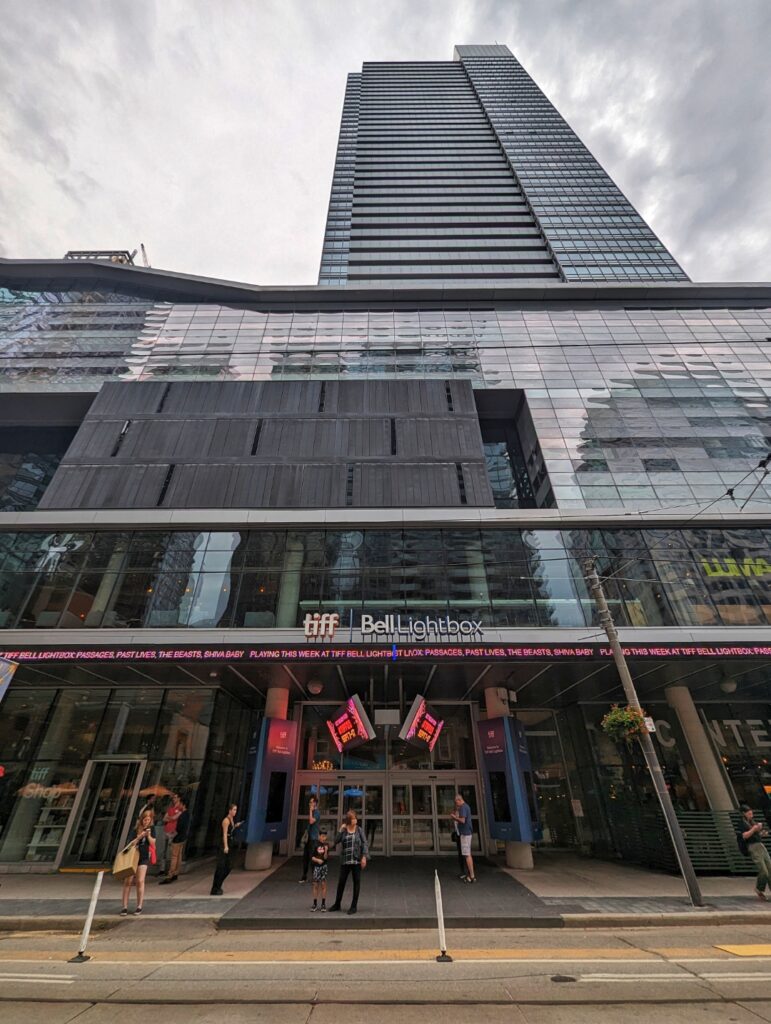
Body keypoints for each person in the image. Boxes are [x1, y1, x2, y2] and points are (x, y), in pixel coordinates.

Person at [328, 810, 368, 915]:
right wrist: (340, 830)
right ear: (349, 820)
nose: (356, 820)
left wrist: (364, 857)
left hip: (356, 861)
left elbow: (364, 844)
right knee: (341, 882)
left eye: (356, 818)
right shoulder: (344, 831)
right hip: (345, 860)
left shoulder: (359, 830)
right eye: (354, 818)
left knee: (356, 882)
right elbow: (335, 841)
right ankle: (337, 904)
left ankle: (353, 906)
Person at [121, 810, 156, 916]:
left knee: (140, 881)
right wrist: (140, 836)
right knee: (128, 881)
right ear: (141, 820)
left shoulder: (151, 829)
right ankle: (124, 906)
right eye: (145, 820)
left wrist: (148, 835)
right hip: (133, 857)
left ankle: (139, 905)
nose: (146, 822)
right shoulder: (135, 829)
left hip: (144, 857)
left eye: (148, 820)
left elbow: (153, 843)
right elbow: (131, 843)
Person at [738, 803, 771, 900]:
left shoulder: (752, 822)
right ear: (744, 813)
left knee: (770, 868)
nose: (751, 814)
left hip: (761, 846)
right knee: (764, 871)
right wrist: (754, 829)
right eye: (748, 813)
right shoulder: (742, 823)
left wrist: (762, 832)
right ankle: (759, 889)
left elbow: (756, 834)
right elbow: (745, 836)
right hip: (753, 847)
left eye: (751, 812)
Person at [160, 794, 189, 884]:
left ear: (183, 804)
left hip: (177, 837)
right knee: (178, 856)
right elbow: (167, 818)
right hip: (182, 837)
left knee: (174, 856)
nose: (179, 804)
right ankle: (176, 872)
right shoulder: (186, 814)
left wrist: (172, 835)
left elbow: (178, 826)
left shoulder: (183, 814)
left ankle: (170, 874)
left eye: (180, 802)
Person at [451, 792, 476, 883]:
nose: (456, 803)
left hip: (465, 834)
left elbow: (462, 820)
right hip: (465, 833)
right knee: (466, 854)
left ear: (459, 800)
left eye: (456, 801)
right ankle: (470, 874)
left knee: (467, 854)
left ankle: (472, 875)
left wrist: (454, 817)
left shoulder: (463, 808)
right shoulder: (466, 807)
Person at [157, 793, 182, 877]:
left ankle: (171, 870)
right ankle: (162, 869)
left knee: (171, 852)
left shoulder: (181, 808)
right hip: (166, 830)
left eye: (175, 797)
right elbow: (165, 818)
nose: (173, 799)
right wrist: (171, 818)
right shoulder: (171, 808)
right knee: (163, 850)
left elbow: (174, 818)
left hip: (173, 831)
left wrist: (170, 818)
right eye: (173, 797)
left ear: (179, 798)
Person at [299, 795, 321, 883]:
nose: (310, 804)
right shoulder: (312, 812)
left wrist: (311, 811)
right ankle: (304, 876)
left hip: (313, 838)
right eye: (309, 802)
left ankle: (315, 877)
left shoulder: (317, 812)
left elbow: (311, 821)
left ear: (315, 803)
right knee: (305, 858)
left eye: (311, 802)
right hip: (308, 838)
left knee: (313, 858)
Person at [310, 826, 330, 912]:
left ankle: (323, 904)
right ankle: (314, 903)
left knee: (323, 884)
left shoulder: (326, 845)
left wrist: (326, 850)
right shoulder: (315, 844)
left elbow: (326, 857)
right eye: (322, 836)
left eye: (325, 836)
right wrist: (317, 860)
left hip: (324, 867)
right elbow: (311, 857)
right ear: (319, 836)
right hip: (316, 867)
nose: (323, 838)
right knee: (315, 885)